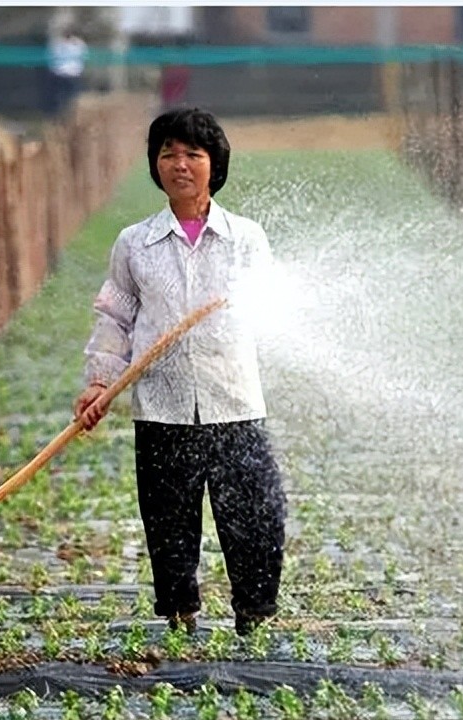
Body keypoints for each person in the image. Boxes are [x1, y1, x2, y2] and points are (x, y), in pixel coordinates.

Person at [74, 108, 286, 636]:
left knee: (256, 518)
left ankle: (254, 618)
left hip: (233, 401)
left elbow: (272, 309)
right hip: (162, 408)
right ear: (155, 165)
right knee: (168, 524)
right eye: (168, 153)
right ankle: (179, 618)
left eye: (193, 153)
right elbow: (115, 319)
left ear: (215, 164)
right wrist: (99, 382)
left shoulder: (245, 239)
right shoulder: (135, 243)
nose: (180, 164)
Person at [48, 27, 87, 115]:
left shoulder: (78, 44)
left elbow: (83, 57)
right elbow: (53, 57)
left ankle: (70, 114)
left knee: (72, 97)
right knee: (61, 97)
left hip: (72, 74)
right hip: (62, 74)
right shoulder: (58, 44)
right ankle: (60, 114)